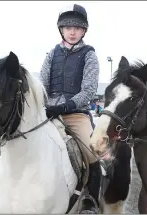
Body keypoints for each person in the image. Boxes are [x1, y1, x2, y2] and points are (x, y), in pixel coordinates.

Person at [39, 4, 101, 214]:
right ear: (61, 30)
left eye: (77, 27)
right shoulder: (51, 54)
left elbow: (89, 89)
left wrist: (68, 105)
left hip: (76, 114)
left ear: (84, 30)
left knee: (92, 152)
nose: (72, 31)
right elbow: (42, 85)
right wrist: (46, 105)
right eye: (67, 27)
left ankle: (91, 201)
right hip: (50, 113)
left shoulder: (89, 55)